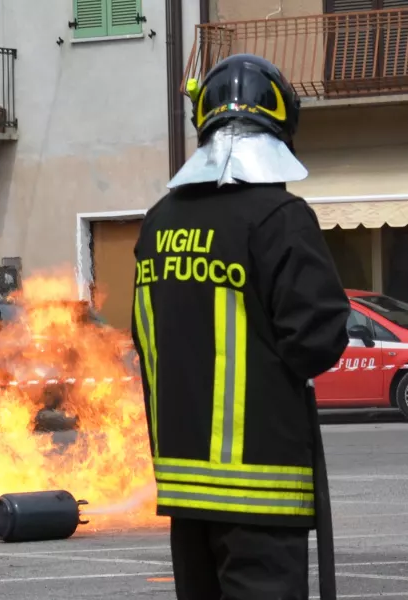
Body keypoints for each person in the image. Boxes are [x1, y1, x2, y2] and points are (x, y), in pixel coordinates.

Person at [130, 53, 350, 599]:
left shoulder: (158, 224)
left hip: (185, 489)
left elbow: (146, 336)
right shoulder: (279, 217)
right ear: (279, 125)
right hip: (264, 491)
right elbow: (318, 337)